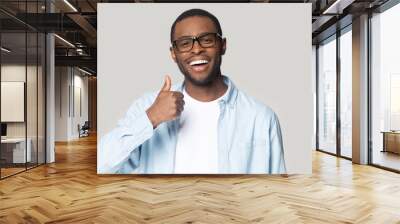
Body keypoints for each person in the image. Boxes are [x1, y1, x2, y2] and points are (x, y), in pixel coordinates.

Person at [98, 8, 286, 174]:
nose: (196, 49)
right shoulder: (147, 107)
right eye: (185, 43)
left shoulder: (261, 117)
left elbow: (277, 190)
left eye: (206, 40)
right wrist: (151, 118)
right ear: (173, 53)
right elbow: (103, 165)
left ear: (223, 45)